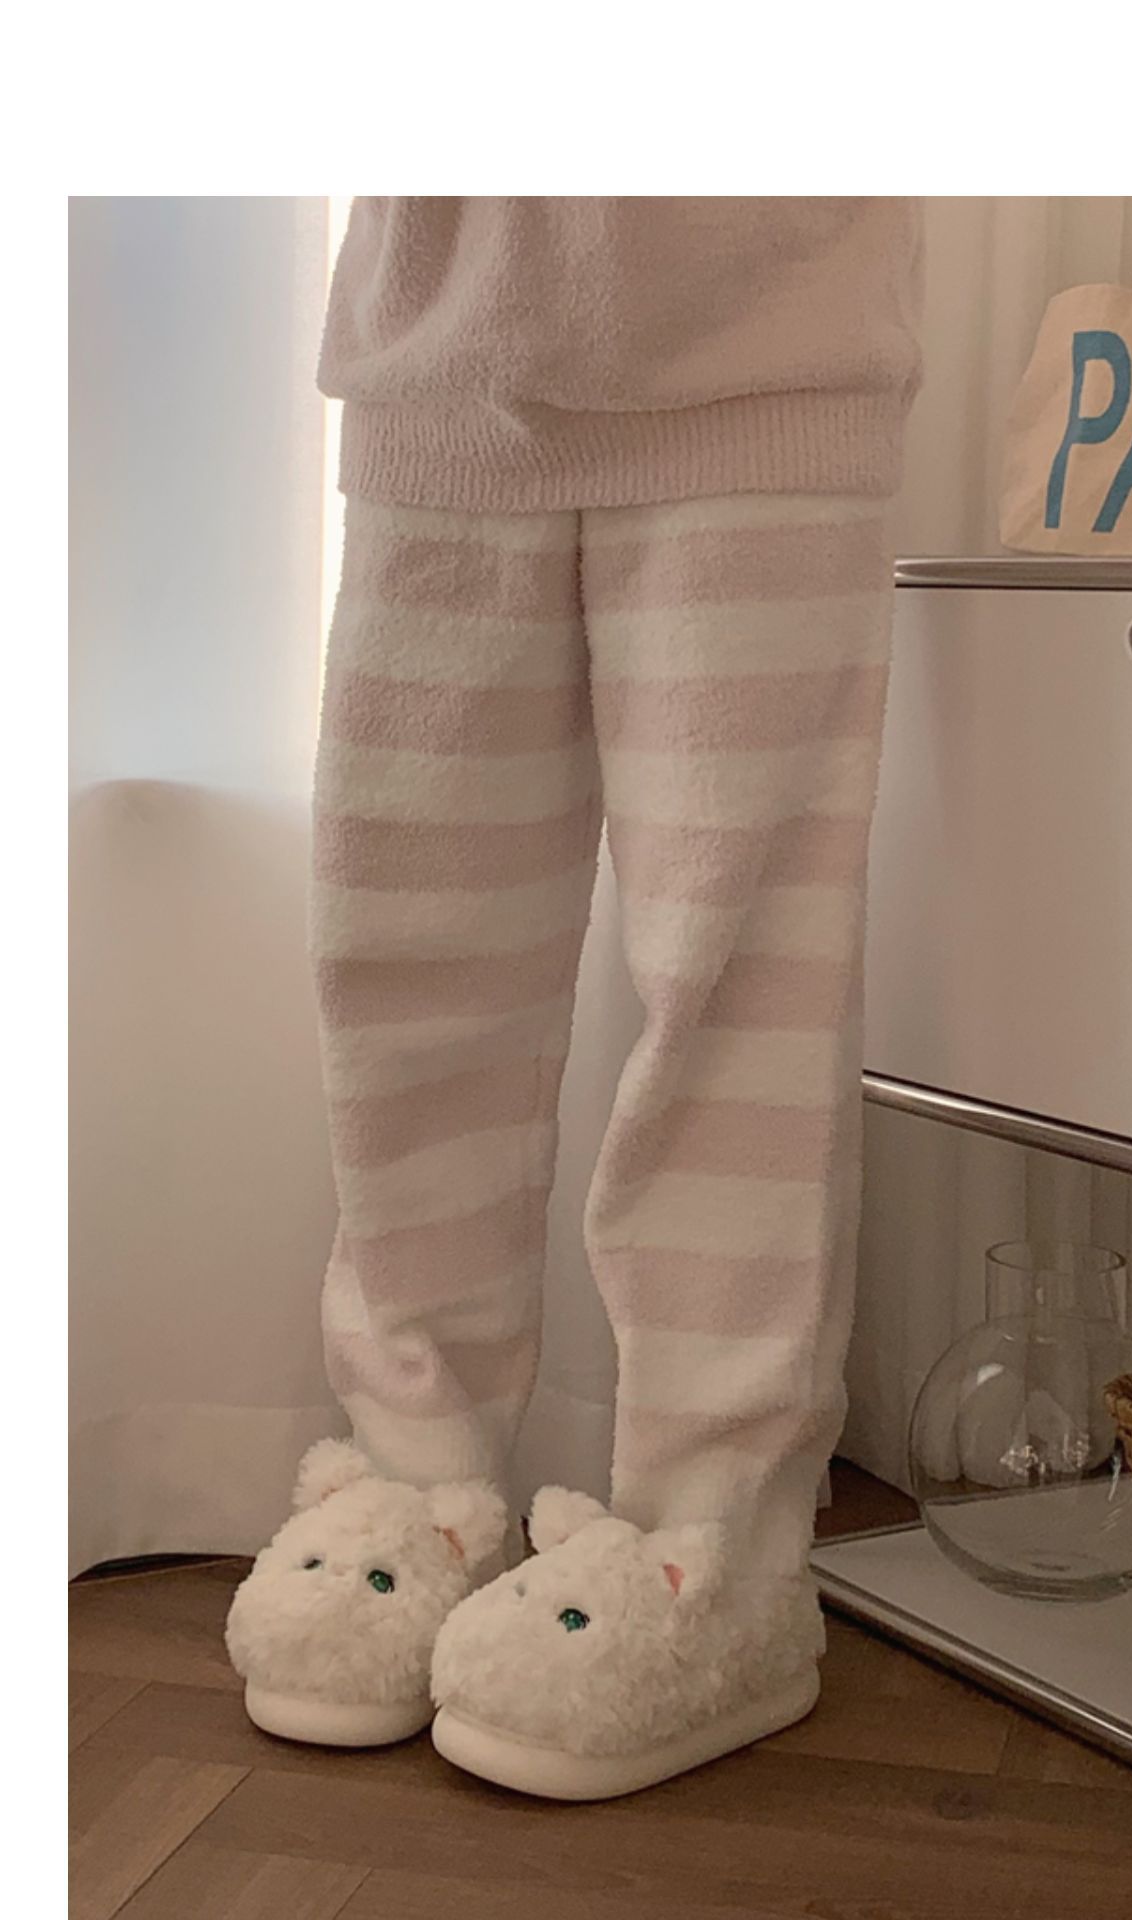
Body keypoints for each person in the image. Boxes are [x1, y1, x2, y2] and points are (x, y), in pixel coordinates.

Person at [226, 195, 925, 1794]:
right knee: (409, 989)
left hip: (770, 349)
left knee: (740, 1011)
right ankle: (421, 1483)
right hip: (437, 360)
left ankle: (720, 1549)